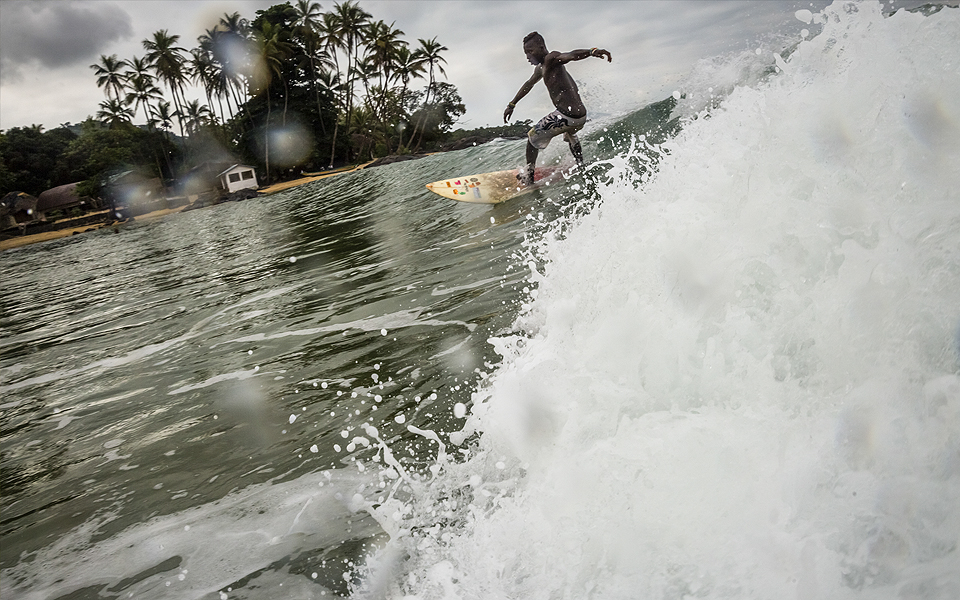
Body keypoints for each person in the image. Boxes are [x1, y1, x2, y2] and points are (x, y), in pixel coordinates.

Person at [503, 32, 612, 185]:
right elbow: (529, 84)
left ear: (541, 47)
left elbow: (571, 55)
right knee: (571, 135)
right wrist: (512, 104)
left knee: (532, 137)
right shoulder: (541, 68)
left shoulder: (552, 58)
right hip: (580, 117)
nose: (528, 56)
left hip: (567, 116)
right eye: (526, 53)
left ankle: (529, 176)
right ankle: (581, 165)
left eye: (530, 51)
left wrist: (591, 51)